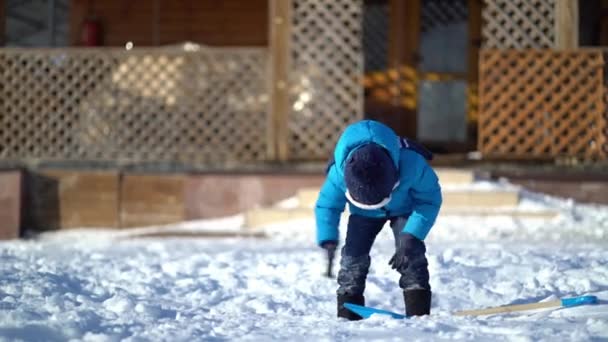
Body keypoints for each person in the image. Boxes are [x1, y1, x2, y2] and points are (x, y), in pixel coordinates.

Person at [315, 120, 442, 320]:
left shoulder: (412, 163)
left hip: (403, 208)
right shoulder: (338, 174)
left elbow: (429, 199)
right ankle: (348, 312)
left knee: (411, 254)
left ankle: (418, 312)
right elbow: (327, 206)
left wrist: (412, 234)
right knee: (352, 258)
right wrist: (328, 237)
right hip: (361, 216)